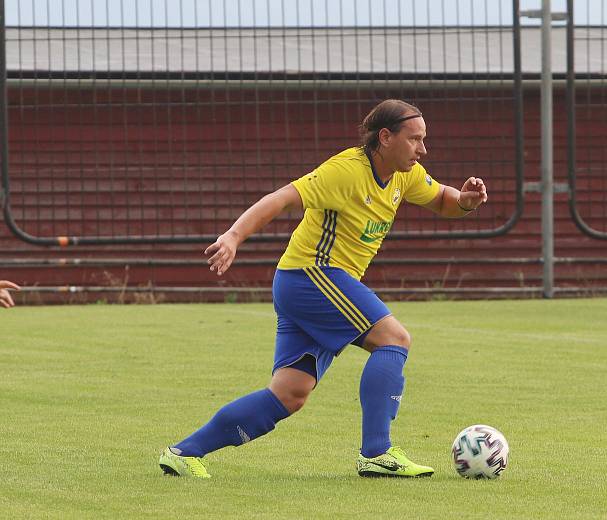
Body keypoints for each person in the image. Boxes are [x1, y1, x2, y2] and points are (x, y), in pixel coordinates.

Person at [158, 99, 488, 479]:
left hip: (308, 284)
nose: (423, 149)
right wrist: (233, 236)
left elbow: (442, 199)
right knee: (393, 339)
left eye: (423, 140)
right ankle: (377, 453)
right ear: (385, 137)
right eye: (415, 139)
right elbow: (280, 199)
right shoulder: (345, 171)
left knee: (289, 394)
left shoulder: (405, 173)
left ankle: (184, 452)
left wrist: (464, 200)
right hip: (312, 276)